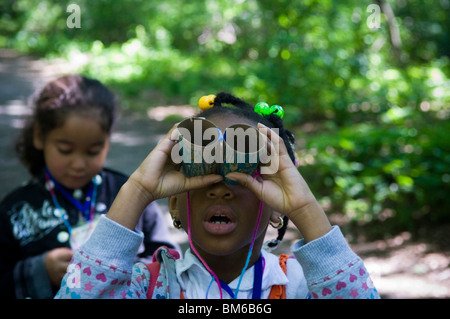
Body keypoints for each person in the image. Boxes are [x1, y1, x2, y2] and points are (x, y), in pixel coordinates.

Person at [55, 92, 380, 299]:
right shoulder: (150, 286)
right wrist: (138, 189)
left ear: (276, 209)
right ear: (174, 206)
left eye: (243, 177)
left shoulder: (303, 286)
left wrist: (305, 207)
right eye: (202, 173)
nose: (220, 187)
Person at [0, 75, 177, 299]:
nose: (78, 164)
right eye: (65, 149)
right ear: (39, 136)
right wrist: (40, 269)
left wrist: (122, 269)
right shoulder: (15, 210)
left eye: (93, 151)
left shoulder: (131, 193)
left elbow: (167, 260)